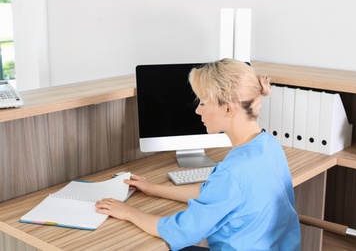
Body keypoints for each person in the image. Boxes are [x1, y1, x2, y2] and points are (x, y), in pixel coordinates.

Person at [95, 58, 301, 250]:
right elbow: (214, 193)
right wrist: (154, 189)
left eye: (203, 102)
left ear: (228, 109)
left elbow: (180, 231)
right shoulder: (268, 145)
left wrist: (128, 212)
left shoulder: (232, 172)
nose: (197, 111)